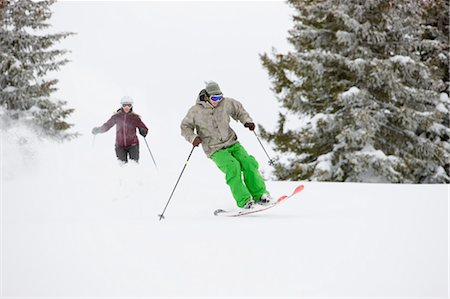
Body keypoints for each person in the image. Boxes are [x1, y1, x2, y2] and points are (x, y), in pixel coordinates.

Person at [181, 81, 271, 210]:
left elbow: (239, 111)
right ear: (206, 97)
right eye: (214, 98)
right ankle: (245, 201)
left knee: (249, 164)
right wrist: (193, 137)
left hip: (232, 143)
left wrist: (247, 121)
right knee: (232, 167)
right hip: (214, 148)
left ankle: (260, 195)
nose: (218, 101)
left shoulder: (226, 103)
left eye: (220, 97)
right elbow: (185, 127)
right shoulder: (195, 111)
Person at [92, 96, 148, 163]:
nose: (126, 107)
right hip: (120, 146)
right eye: (124, 105)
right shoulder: (116, 116)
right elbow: (107, 125)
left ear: (131, 106)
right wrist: (98, 130)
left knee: (134, 165)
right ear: (121, 106)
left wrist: (143, 131)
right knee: (122, 167)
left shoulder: (135, 117)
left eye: (129, 105)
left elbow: (143, 127)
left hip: (133, 145)